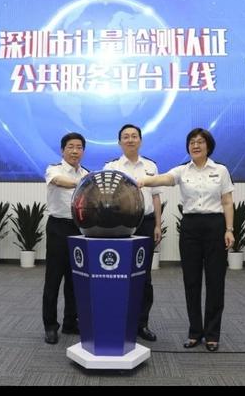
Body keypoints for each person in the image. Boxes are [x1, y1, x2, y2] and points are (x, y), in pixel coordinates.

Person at [138, 128, 234, 352]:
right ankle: (195, 332)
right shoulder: (182, 170)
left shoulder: (220, 170)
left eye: (200, 142)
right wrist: (142, 181)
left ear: (208, 146)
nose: (195, 145)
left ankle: (212, 334)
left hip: (215, 225)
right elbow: (164, 178)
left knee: (215, 281)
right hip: (190, 226)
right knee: (191, 281)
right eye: (192, 142)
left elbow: (227, 201)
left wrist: (229, 229)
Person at [104, 124, 162, 342]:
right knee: (117, 273)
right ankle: (117, 321)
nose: (130, 140)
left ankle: (141, 324)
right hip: (119, 225)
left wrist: (158, 225)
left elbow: (156, 197)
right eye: (126, 137)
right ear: (119, 142)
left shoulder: (150, 166)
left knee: (143, 276)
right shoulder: (111, 166)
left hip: (146, 224)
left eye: (134, 136)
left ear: (140, 140)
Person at [42, 132, 89, 344]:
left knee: (75, 279)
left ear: (83, 151)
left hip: (80, 229)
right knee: (53, 279)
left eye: (79, 147)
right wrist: (83, 183)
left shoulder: (86, 173)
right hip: (58, 228)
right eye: (70, 147)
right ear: (63, 150)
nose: (75, 151)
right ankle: (50, 326)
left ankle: (71, 322)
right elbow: (60, 182)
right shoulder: (54, 169)